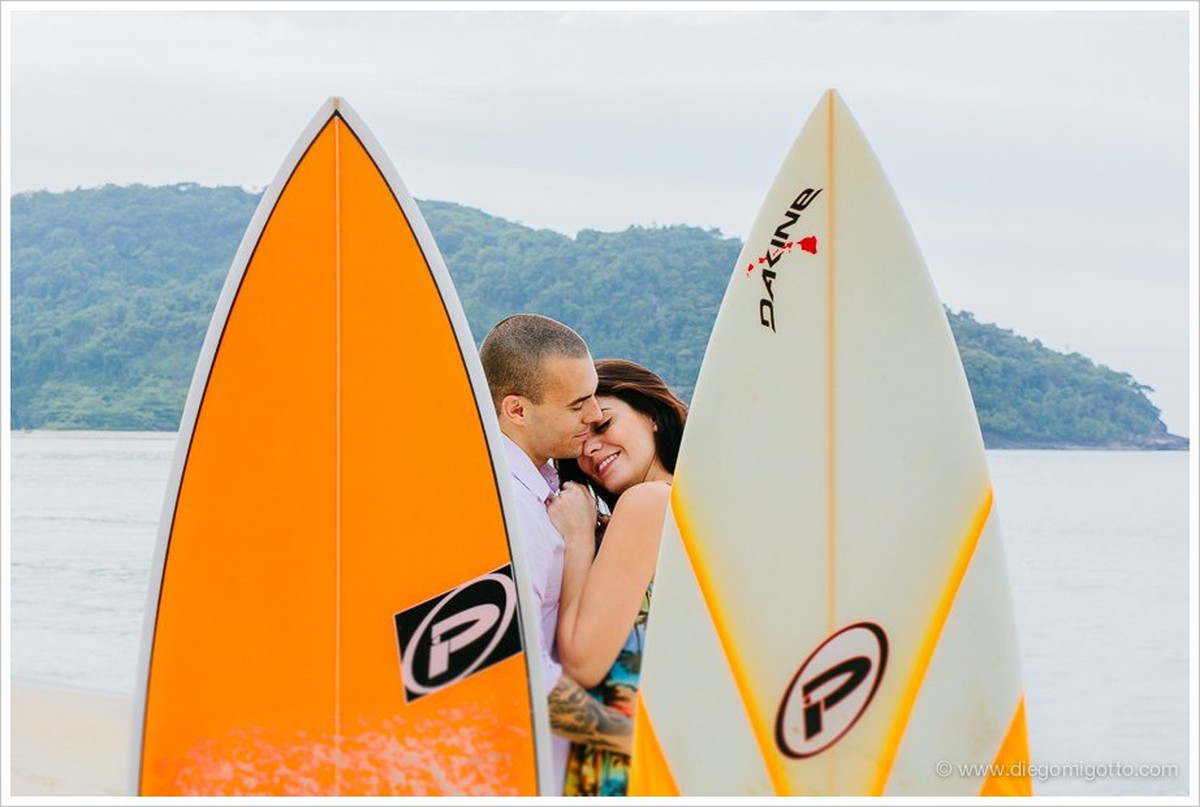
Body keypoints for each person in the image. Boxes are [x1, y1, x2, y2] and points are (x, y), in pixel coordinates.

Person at [479, 314, 635, 795]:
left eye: (593, 395)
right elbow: (517, 672)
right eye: (577, 404)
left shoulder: (549, 487)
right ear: (517, 410)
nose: (595, 414)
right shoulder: (509, 508)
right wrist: (637, 740)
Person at [546, 359, 688, 796]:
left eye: (603, 424)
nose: (590, 449)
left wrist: (578, 541)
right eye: (579, 442)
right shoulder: (686, 503)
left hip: (623, 775)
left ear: (651, 414)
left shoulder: (648, 502)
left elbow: (583, 663)